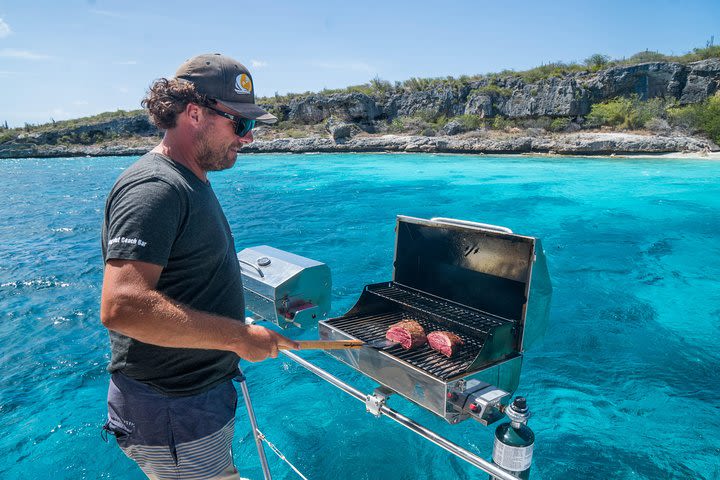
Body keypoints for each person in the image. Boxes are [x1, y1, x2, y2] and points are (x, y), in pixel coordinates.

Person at [100, 53, 299, 480]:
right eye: (240, 124)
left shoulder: (188, 179)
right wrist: (239, 336)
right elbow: (123, 307)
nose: (247, 138)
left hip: (189, 404)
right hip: (173, 409)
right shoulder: (155, 188)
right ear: (194, 113)